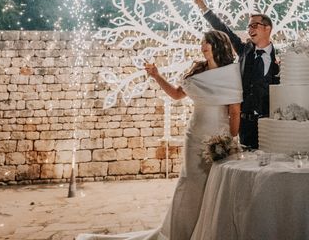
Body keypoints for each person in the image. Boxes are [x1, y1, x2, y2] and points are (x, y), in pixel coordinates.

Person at [77, 30, 242, 240]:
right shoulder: (197, 71)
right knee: (190, 183)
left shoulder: (231, 72)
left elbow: (235, 111)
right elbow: (175, 95)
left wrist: (231, 139)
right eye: (202, 42)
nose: (203, 45)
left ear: (219, 45)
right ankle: (180, 233)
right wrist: (156, 76)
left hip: (221, 137)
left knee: (217, 186)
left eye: (207, 42)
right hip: (196, 134)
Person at [193, 0, 279, 149]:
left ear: (267, 28)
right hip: (245, 125)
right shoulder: (244, 50)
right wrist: (205, 9)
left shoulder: (281, 58)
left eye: (254, 26)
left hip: (270, 125)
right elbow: (224, 29)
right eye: (249, 26)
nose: (250, 29)